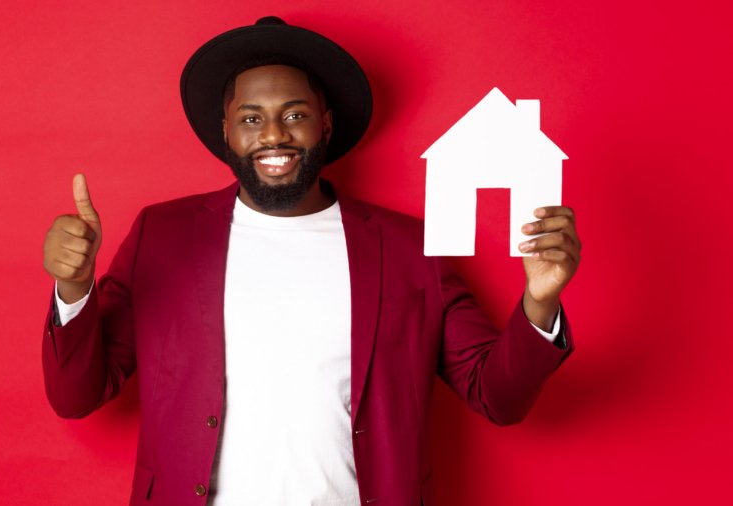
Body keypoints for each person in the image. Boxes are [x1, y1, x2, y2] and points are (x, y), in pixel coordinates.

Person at [41, 16, 579, 506]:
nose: (273, 134)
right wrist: (74, 289)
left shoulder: (408, 248)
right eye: (251, 118)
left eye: (294, 114)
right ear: (225, 131)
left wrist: (540, 300)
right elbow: (76, 396)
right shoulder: (162, 235)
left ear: (324, 124)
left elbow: (497, 397)